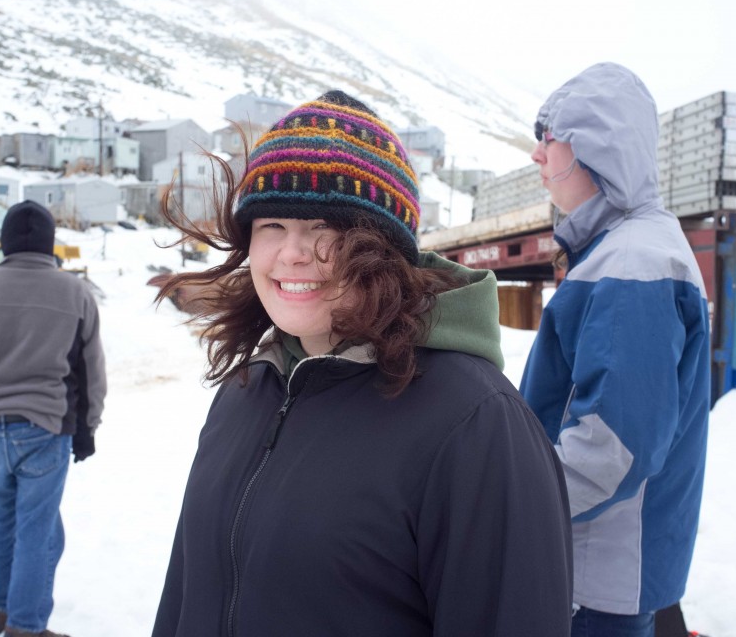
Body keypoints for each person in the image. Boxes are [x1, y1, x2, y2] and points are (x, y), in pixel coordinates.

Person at [150, 90, 573, 637]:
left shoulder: (475, 421)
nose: (293, 252)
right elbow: (186, 594)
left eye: (326, 227)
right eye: (271, 225)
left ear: (386, 253)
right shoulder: (247, 389)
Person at [518, 63, 711, 637]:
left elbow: (615, 443)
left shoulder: (633, 263)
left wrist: (516, 505)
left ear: (597, 146)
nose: (537, 157)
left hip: (598, 575)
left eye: (548, 140)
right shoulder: (626, 250)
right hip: (602, 565)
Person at [0, 201, 107, 637]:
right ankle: (25, 627)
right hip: (45, 429)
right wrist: (88, 427)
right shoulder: (74, 292)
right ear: (48, 242)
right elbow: (90, 367)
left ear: (4, 241)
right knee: (37, 534)